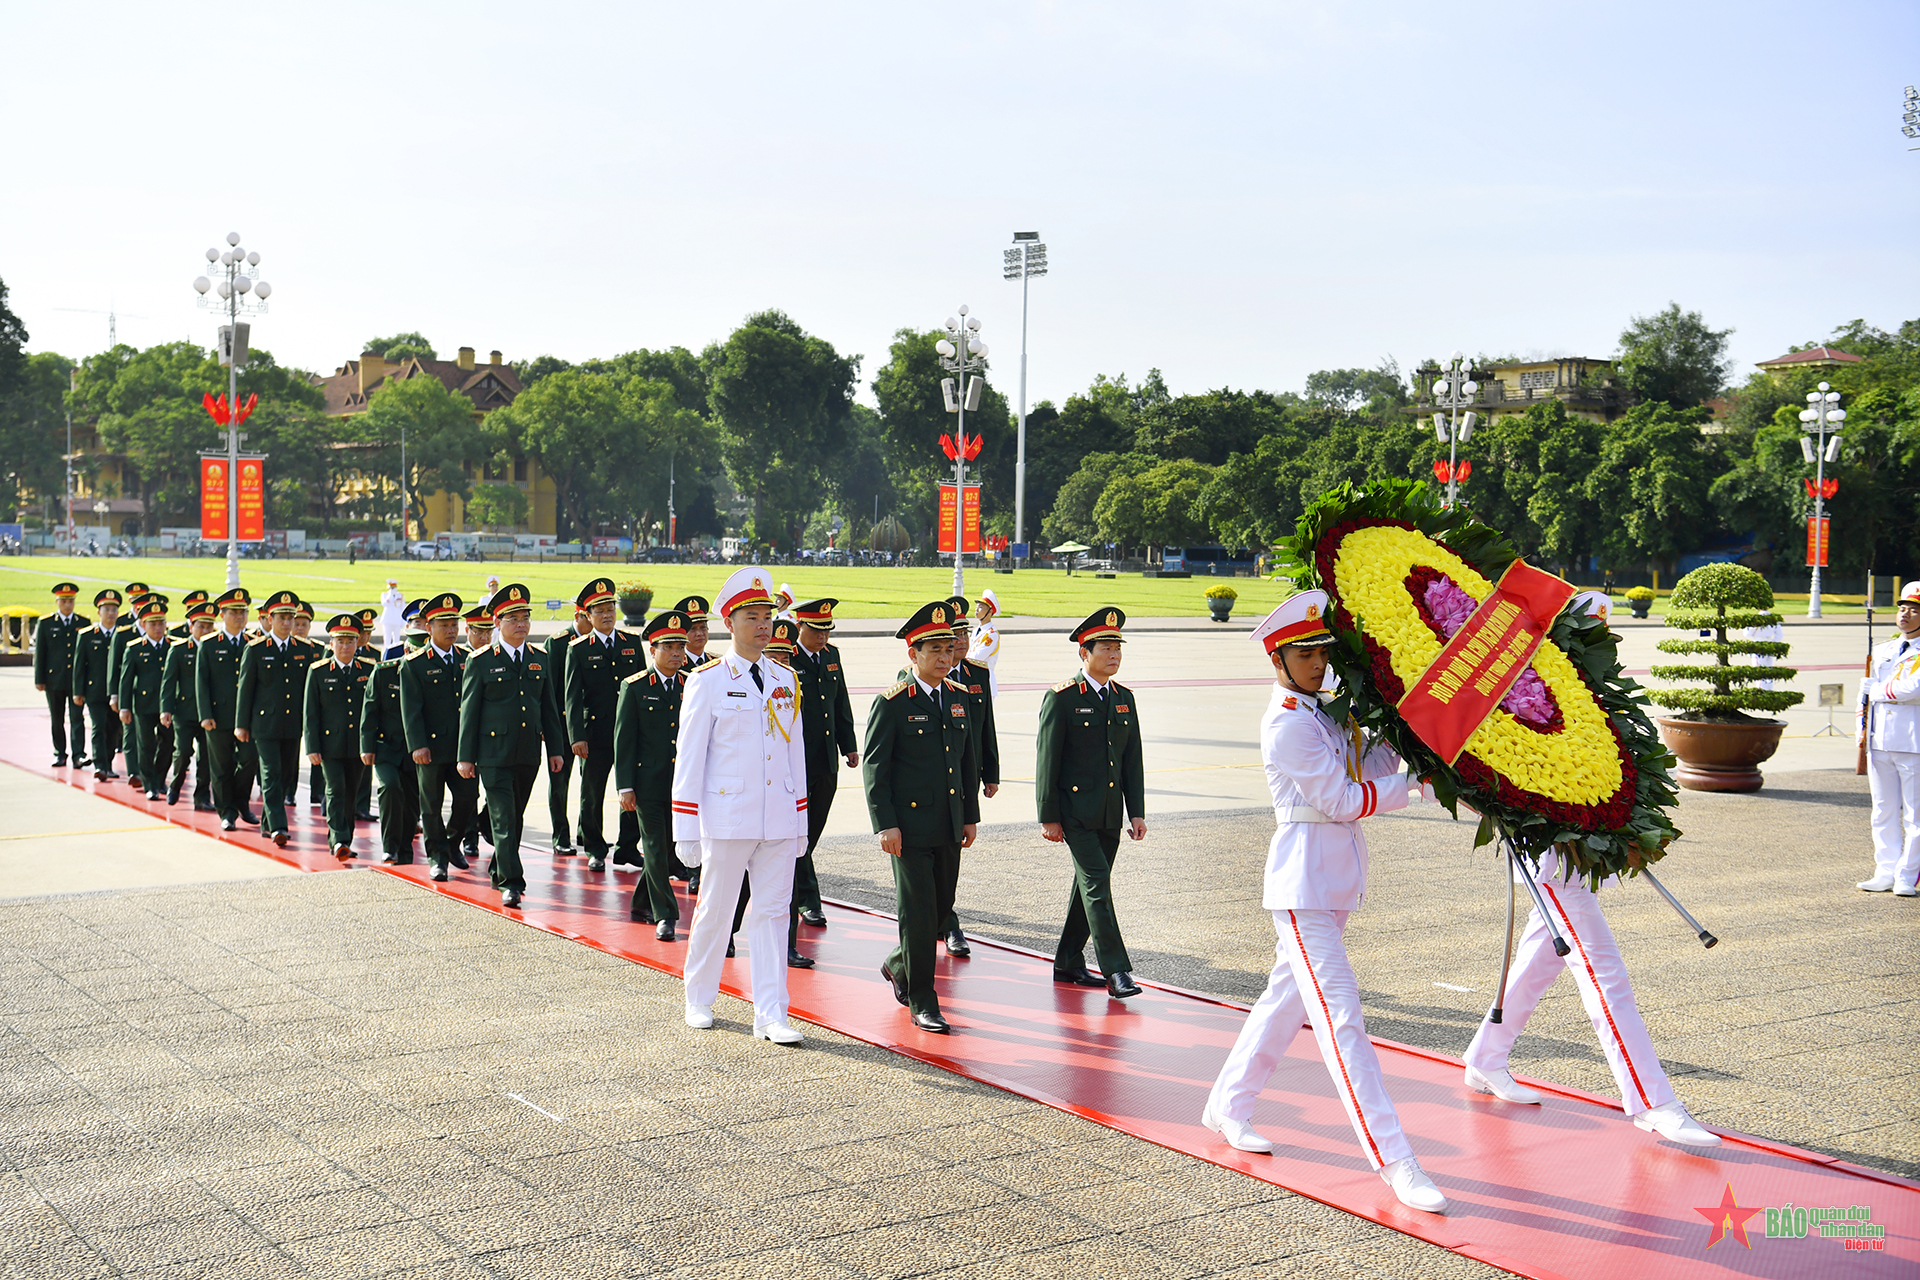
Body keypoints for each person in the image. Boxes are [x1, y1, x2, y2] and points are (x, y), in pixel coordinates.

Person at [1202, 590, 1448, 1214]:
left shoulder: (1326, 712)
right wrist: (1414, 782)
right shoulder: (1288, 721)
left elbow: (1374, 761)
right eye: (1303, 653)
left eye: (1322, 651)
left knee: (1284, 1003)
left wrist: (1412, 737)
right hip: (1303, 887)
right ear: (1277, 660)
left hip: (1331, 882)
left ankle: (1228, 1104)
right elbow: (1341, 799)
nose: (1317, 663)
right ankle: (1397, 1161)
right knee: (1342, 1020)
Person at [1461, 854, 1722, 1148]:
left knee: (1537, 962)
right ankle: (1652, 1100)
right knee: (1606, 978)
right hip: (1556, 859)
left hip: (1577, 856)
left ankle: (1486, 1056)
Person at [672, 568, 809, 1043]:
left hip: (777, 816)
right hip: (727, 817)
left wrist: (800, 819)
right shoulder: (707, 680)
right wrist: (685, 827)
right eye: (751, 617)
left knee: (773, 913)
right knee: (717, 909)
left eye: (767, 616)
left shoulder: (785, 678)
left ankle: (770, 1013)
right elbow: (690, 758)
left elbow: (795, 752)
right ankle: (699, 996)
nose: (763, 625)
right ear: (729, 622)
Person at [864, 601, 979, 1033]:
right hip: (908, 828)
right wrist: (885, 823)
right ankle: (923, 1000)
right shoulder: (892, 703)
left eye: (949, 650)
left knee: (941, 908)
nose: (945, 659)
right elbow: (877, 767)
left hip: (948, 824)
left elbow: (966, 762)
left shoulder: (959, 696)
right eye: (935, 651)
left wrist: (970, 815)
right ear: (913, 655)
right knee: (917, 912)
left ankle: (898, 962)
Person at [1037, 607, 1146, 1000]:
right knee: (1097, 885)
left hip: (1109, 813)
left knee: (1088, 887)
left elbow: (1132, 759)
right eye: (1106, 647)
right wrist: (1048, 816)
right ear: (1085, 653)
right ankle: (1117, 970)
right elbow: (1047, 759)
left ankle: (1068, 960)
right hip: (1074, 813)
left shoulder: (1123, 698)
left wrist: (1136, 811)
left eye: (1118, 647)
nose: (1114, 654)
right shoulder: (1063, 697)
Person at [457, 583, 566, 909]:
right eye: (513, 618)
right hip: (493, 755)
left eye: (525, 618)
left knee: (514, 817)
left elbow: (549, 708)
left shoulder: (539, 659)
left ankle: (497, 867)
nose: (521, 624)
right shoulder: (480, 661)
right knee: (504, 818)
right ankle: (512, 882)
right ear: (498, 623)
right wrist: (466, 757)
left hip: (527, 752)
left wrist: (556, 750)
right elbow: (470, 712)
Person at [616, 610, 692, 936]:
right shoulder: (634, 687)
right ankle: (666, 915)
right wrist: (624, 787)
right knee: (655, 848)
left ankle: (641, 902)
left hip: (682, 784)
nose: (677, 654)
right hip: (647, 784)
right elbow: (625, 741)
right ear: (653, 649)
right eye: (669, 647)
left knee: (670, 846)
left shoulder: (692, 684)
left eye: (681, 647)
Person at [566, 577, 648, 872]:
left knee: (632, 790)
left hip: (628, 734)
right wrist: (577, 735)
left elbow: (642, 686)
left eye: (610, 608)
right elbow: (572, 697)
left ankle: (627, 846)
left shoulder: (631, 642)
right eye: (599, 610)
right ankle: (595, 847)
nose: (607, 615)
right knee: (592, 793)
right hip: (595, 733)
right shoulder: (578, 649)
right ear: (588, 616)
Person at [789, 599, 859, 934]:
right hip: (797, 761)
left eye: (827, 630)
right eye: (816, 630)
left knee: (811, 832)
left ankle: (796, 888)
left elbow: (840, 700)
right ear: (800, 626)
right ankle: (808, 900)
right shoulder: (785, 655)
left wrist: (849, 746)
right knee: (798, 833)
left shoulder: (832, 655)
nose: (822, 637)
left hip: (826, 760)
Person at [940, 596, 1001, 957]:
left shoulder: (977, 674)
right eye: (954, 634)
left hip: (966, 778)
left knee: (954, 851)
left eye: (965, 632)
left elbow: (985, 728)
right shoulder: (928, 674)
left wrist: (991, 772)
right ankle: (948, 924)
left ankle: (944, 919)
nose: (961, 641)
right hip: (934, 779)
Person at [401, 593, 477, 880]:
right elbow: (411, 710)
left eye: (454, 623)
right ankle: (437, 858)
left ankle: (451, 842)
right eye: (443, 624)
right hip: (430, 748)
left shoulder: (469, 659)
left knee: (468, 798)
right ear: (429, 628)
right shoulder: (415, 663)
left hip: (462, 747)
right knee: (431, 805)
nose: (451, 630)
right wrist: (417, 745)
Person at [236, 591, 311, 849]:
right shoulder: (256, 649)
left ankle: (268, 824)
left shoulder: (304, 650)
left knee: (287, 774)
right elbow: (246, 690)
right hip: (264, 725)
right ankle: (279, 826)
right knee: (271, 774)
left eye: (291, 617)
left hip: (292, 725)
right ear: (270, 619)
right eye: (282, 618)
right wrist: (241, 724)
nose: (287, 623)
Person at [1859, 580, 1920, 896]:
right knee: (1882, 810)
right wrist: (1861, 735)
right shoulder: (1882, 649)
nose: (1906, 614)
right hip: (1879, 740)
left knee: (1915, 815)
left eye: (1913, 609)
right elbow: (1863, 695)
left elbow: (1913, 690)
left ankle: (1907, 876)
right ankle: (1885, 870)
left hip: (1913, 744)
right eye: (1902, 607)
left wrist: (1880, 692)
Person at [305, 614, 373, 860]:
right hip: (330, 745)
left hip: (358, 746)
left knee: (351, 794)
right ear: (331, 644)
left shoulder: (368, 670)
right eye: (340, 641)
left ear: (357, 643)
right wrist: (312, 746)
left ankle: (345, 838)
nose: (345, 647)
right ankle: (339, 840)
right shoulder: (318, 671)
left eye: (350, 641)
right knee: (335, 790)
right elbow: (311, 713)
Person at [360, 607, 422, 869]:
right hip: (386, 747)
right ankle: (389, 847)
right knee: (390, 789)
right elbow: (370, 709)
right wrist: (366, 746)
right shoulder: (385, 672)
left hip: (416, 750)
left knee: (411, 800)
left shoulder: (426, 674)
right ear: (405, 649)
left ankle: (405, 848)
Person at [196, 588, 258, 830]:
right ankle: (227, 812)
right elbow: (201, 681)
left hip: (247, 717)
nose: (240, 617)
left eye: (243, 612)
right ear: (222, 614)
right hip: (218, 716)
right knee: (221, 767)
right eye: (234, 612)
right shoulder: (210, 644)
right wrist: (205, 715)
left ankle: (241, 803)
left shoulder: (252, 643)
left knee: (249, 760)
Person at [545, 601, 594, 858]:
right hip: (562, 725)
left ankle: (586, 832)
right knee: (560, 784)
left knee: (590, 785)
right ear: (578, 616)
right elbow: (550, 690)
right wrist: (550, 728)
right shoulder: (558, 643)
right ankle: (560, 835)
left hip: (589, 725)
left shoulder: (597, 641)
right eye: (590, 615)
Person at [116, 597, 174, 801]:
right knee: (146, 745)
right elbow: (126, 680)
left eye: (161, 623)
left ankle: (160, 779)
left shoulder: (172, 646)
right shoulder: (134, 648)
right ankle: (149, 784)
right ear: (143, 625)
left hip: (168, 705)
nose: (158, 628)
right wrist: (124, 707)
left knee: (168, 744)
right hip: (144, 704)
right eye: (153, 624)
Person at [161, 600, 216, 810]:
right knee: (182, 752)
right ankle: (175, 785)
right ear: (191, 627)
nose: (205, 630)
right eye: (201, 626)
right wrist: (166, 709)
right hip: (185, 711)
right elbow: (169, 682)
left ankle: (202, 796)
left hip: (210, 711)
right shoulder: (179, 649)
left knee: (207, 758)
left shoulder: (215, 648)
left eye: (209, 626)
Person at [33, 581, 88, 768]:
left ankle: (78, 754)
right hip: (54, 679)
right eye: (63, 601)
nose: (67, 604)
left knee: (77, 718)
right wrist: (39, 679)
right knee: (57, 718)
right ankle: (59, 753)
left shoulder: (83, 623)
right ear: (57, 601)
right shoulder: (46, 623)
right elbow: (40, 653)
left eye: (70, 601)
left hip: (76, 680)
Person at [72, 590, 123, 782]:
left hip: (116, 692)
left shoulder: (122, 635)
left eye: (114, 609)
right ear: (99, 612)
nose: (111, 613)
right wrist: (78, 691)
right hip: (95, 691)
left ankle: (108, 763)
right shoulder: (87, 636)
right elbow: (79, 666)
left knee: (113, 728)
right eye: (107, 609)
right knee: (98, 726)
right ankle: (100, 765)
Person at [967, 587, 1003, 697]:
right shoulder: (975, 631)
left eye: (981, 607)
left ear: (990, 612)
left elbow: (976, 657)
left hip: (985, 679)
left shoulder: (991, 635)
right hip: (972, 678)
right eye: (977, 607)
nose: (977, 610)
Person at [673, 595, 717, 671]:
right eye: (693, 629)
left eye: (703, 628)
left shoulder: (717, 663)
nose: (699, 633)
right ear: (683, 634)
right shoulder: (676, 665)